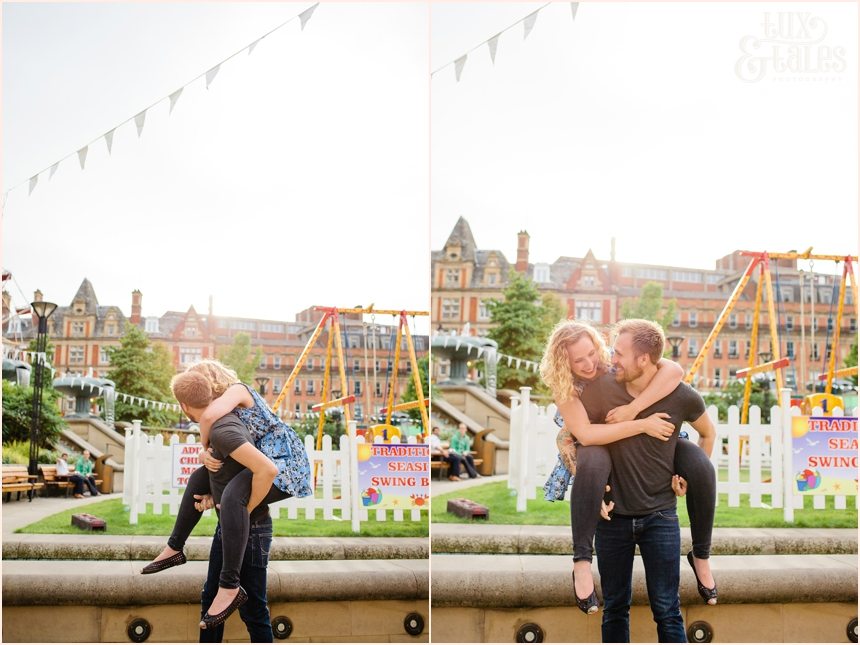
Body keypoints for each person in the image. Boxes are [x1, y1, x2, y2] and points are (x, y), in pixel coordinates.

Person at [539, 319, 717, 617]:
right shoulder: (565, 386)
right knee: (593, 459)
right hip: (597, 444)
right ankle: (581, 563)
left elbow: (672, 370)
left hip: (650, 441)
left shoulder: (613, 362)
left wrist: (635, 411)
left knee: (700, 465)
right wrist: (641, 424)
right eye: (577, 360)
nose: (588, 364)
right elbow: (587, 435)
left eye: (591, 353)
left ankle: (701, 555)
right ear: (563, 362)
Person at [141, 361, 312, 630]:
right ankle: (175, 547)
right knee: (202, 478)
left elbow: (208, 418)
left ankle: (229, 586)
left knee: (234, 499)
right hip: (266, 465)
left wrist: (204, 448)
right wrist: (211, 490)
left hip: (285, 463)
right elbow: (220, 473)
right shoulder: (228, 419)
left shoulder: (237, 391)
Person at [195, 493, 275, 641]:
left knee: (253, 609)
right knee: (211, 598)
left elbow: (264, 476)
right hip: (225, 525)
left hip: (254, 526)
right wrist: (214, 494)